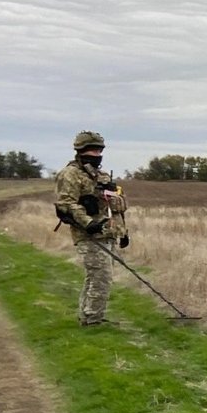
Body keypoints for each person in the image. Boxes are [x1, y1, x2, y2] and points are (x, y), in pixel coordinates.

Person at [54, 130, 128, 326]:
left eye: (99, 150)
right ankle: (94, 320)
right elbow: (66, 204)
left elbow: (116, 206)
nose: (96, 154)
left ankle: (87, 316)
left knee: (96, 277)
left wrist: (123, 232)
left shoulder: (101, 175)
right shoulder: (69, 175)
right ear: (80, 151)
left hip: (108, 233)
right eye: (91, 151)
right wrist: (88, 223)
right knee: (102, 277)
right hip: (88, 235)